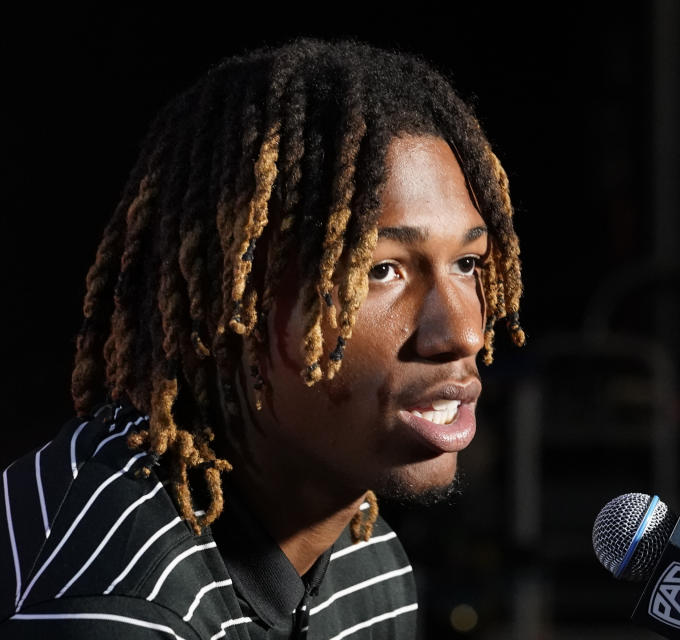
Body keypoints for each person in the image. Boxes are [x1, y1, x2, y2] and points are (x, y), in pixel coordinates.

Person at [0, 38, 524, 639]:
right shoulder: (120, 602)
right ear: (232, 302)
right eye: (382, 270)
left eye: (468, 263)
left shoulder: (369, 563)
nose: (460, 332)